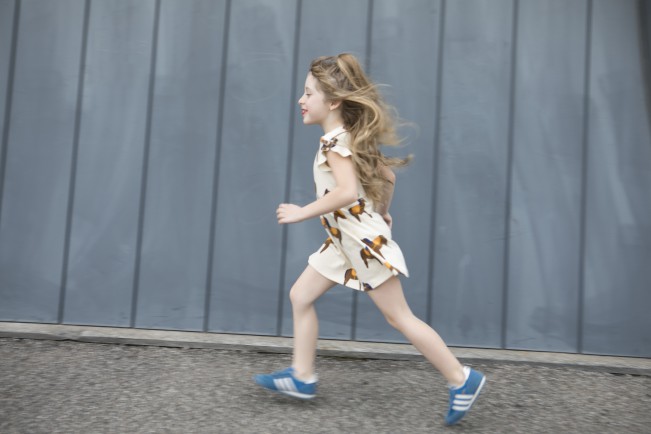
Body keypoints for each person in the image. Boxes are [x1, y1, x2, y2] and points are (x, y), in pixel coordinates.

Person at [254, 53, 485, 426]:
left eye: (308, 93)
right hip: (344, 241)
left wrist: (302, 211)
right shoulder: (348, 138)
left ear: (333, 102)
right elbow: (387, 179)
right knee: (301, 295)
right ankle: (302, 376)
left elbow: (345, 192)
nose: (301, 99)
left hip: (360, 243)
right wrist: (382, 211)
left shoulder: (334, 144)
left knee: (399, 317)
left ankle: (462, 379)